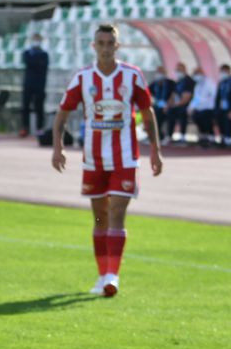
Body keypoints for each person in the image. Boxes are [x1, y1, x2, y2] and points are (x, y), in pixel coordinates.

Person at [51, 23, 163, 297]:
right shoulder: (83, 78)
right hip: (94, 159)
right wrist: (58, 147)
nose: (105, 48)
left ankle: (113, 275)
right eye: (100, 43)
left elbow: (147, 113)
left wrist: (156, 150)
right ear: (94, 46)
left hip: (125, 157)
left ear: (117, 46)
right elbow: (62, 114)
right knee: (100, 216)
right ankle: (102, 275)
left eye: (109, 43)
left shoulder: (132, 76)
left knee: (116, 213)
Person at [20, 33, 49, 138]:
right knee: (25, 107)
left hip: (40, 85)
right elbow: (30, 63)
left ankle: (39, 128)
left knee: (39, 108)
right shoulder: (27, 53)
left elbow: (42, 67)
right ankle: (25, 127)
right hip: (28, 84)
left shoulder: (44, 54)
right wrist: (37, 62)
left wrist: (36, 62)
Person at [165, 62, 194, 145]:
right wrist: (168, 105)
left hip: (186, 106)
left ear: (185, 70)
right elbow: (173, 95)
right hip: (177, 105)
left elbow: (186, 97)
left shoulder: (189, 81)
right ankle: (168, 136)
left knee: (182, 112)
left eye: (179, 70)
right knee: (169, 111)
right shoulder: (178, 81)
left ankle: (182, 137)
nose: (178, 72)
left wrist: (175, 105)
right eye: (177, 70)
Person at [187, 66, 217, 147]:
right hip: (199, 108)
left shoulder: (209, 82)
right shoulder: (197, 85)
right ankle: (203, 137)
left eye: (197, 73)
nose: (196, 75)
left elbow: (213, 96)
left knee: (205, 117)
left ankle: (210, 137)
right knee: (196, 116)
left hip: (209, 107)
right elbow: (196, 98)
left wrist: (202, 104)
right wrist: (190, 107)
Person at [149, 65, 174, 142]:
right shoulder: (154, 84)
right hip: (157, 105)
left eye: (161, 72)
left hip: (168, 106)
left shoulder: (170, 83)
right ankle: (157, 135)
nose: (159, 74)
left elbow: (173, 95)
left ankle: (168, 136)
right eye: (158, 72)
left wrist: (167, 105)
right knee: (153, 113)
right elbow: (148, 93)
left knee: (169, 113)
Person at [214, 64, 231, 147]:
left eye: (224, 71)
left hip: (230, 108)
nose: (223, 73)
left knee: (228, 119)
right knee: (219, 118)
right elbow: (218, 97)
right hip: (221, 107)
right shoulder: (221, 83)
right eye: (221, 71)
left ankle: (228, 139)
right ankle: (223, 137)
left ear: (229, 71)